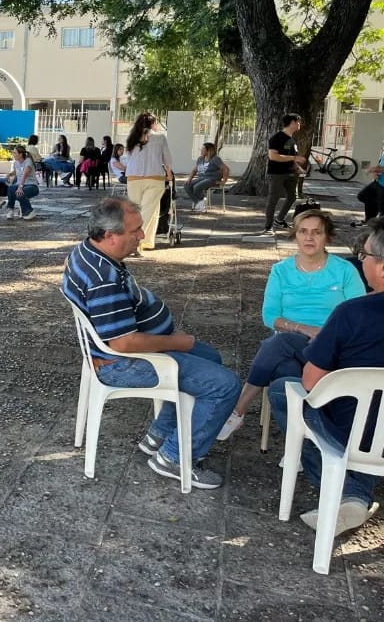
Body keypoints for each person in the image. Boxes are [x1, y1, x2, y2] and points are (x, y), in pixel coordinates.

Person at [62, 196, 240, 489]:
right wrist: (178, 343)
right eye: (135, 231)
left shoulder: (88, 250)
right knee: (226, 385)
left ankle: (160, 434)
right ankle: (173, 458)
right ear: (110, 236)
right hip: (120, 363)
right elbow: (123, 344)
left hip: (122, 349)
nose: (143, 235)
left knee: (211, 358)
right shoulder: (104, 279)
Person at [267, 219, 384, 535]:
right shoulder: (285, 271)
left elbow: (310, 382)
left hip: (353, 426)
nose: (360, 261)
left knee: (282, 391)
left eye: (365, 255)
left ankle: (350, 492)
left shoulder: (352, 313)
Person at [217, 210, 364, 440]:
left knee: (280, 351)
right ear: (295, 235)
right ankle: (307, 443)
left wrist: (325, 334)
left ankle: (239, 408)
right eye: (303, 232)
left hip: (332, 345)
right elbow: (269, 316)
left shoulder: (344, 270)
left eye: (316, 232)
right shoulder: (281, 270)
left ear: (327, 237)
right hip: (293, 342)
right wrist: (304, 329)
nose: (309, 238)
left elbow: (358, 314)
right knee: (286, 370)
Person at [124, 113, 173, 254]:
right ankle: (137, 241)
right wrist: (169, 173)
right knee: (148, 211)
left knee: (136, 210)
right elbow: (167, 159)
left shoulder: (132, 138)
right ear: (153, 124)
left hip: (133, 177)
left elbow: (129, 159)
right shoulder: (160, 138)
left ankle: (140, 241)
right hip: (154, 177)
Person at [258, 113, 305, 235]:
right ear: (292, 123)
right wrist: (294, 158)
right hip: (277, 173)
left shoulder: (292, 140)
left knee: (292, 197)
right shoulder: (277, 138)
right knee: (273, 198)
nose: (299, 124)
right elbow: (273, 156)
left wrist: (297, 167)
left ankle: (279, 220)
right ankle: (268, 226)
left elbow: (291, 157)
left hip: (290, 173)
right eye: (298, 122)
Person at [184, 142, 228, 212]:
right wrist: (189, 179)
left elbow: (226, 169)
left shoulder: (215, 159)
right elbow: (194, 170)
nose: (200, 150)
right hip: (201, 178)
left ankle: (201, 203)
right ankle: (199, 203)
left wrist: (223, 181)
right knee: (187, 185)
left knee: (197, 187)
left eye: (202, 149)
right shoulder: (200, 159)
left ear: (208, 150)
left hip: (212, 179)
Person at [4, 145, 39, 220]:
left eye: (15, 153)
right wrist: (9, 174)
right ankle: (11, 210)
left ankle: (30, 211)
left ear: (20, 154)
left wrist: (20, 187)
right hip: (20, 184)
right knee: (11, 189)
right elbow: (16, 171)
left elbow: (24, 175)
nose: (13, 154)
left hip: (31, 185)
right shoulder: (16, 162)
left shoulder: (28, 161)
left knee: (20, 193)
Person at [352, 148, 384, 227]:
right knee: (363, 196)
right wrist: (376, 171)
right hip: (378, 182)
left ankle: (378, 226)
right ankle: (370, 221)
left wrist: (372, 169)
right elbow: (381, 165)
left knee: (381, 207)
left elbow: (381, 168)